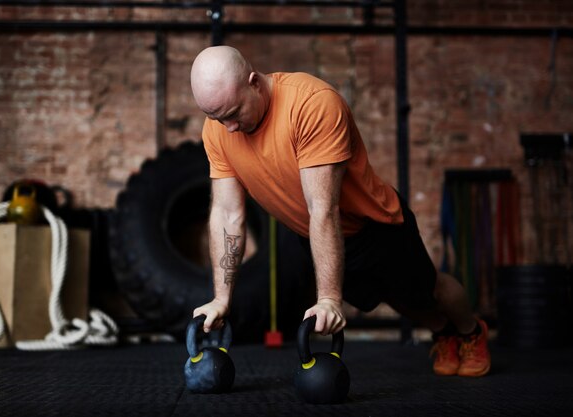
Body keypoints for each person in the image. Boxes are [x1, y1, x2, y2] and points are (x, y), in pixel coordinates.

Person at [189, 45, 490, 377]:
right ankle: (443, 333)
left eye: (233, 113)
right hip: (318, 237)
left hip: (375, 226)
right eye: (217, 118)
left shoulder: (310, 104)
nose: (228, 127)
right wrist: (221, 299)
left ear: (254, 82)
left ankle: (470, 332)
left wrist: (330, 299)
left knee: (428, 289)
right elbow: (227, 213)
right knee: (399, 300)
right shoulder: (217, 129)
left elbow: (323, 208)